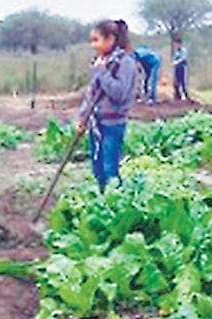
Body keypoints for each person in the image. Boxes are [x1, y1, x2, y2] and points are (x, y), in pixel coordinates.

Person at [75, 19, 137, 191]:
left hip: (113, 124)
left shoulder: (125, 62)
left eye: (96, 40)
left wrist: (102, 72)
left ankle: (115, 201)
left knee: (110, 168)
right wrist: (82, 118)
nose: (93, 45)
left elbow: (119, 93)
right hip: (96, 122)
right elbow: (91, 94)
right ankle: (103, 200)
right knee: (98, 168)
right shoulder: (100, 62)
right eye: (92, 40)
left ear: (110, 39)